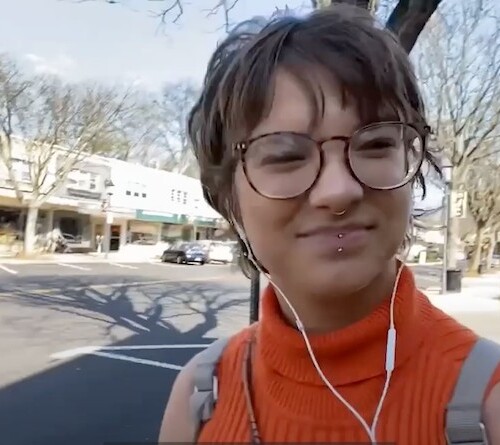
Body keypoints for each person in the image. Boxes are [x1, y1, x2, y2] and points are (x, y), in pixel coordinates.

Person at [159, 4, 500, 444]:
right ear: (228, 197)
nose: (338, 190)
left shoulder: (488, 405)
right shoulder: (200, 399)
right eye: (285, 155)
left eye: (376, 144)